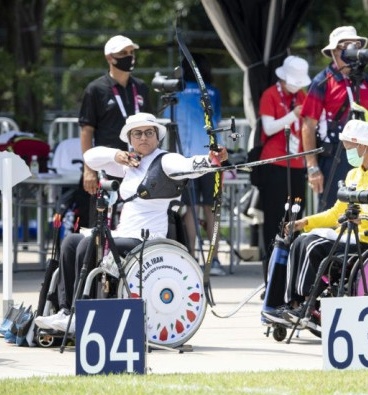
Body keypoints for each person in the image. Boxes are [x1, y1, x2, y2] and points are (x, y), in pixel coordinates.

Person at [34, 113, 228, 333]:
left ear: (157, 137)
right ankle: (66, 311)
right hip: (123, 233)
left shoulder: (165, 160)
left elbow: (189, 165)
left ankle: (81, 314)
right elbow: (90, 157)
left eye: (149, 133)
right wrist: (117, 155)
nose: (143, 138)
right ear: (130, 139)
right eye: (137, 133)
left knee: (87, 245)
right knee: (70, 241)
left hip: (148, 238)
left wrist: (212, 158)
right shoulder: (129, 164)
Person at [262, 119, 368, 326]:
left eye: (349, 146)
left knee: (312, 246)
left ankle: (308, 307)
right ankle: (293, 305)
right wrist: (305, 222)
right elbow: (335, 213)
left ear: (362, 146)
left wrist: (367, 218)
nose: (346, 151)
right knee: (301, 240)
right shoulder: (353, 175)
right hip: (347, 236)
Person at [300, 25, 368, 210]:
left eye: (355, 44)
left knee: (364, 211)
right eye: (344, 45)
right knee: (333, 212)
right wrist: (312, 167)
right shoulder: (321, 82)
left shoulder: (365, 80)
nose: (351, 48)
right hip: (334, 156)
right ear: (334, 52)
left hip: (364, 154)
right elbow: (308, 126)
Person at [77, 35, 150, 227]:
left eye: (131, 52)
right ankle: (99, 257)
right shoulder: (96, 89)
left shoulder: (141, 87)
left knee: (135, 223)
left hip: (137, 165)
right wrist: (89, 169)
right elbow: (86, 131)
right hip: (107, 166)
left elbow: (150, 128)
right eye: (123, 53)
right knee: (100, 225)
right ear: (110, 57)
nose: (129, 57)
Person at [170, 53, 226, 276]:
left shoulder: (176, 93)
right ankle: (214, 262)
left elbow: (167, 119)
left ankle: (191, 258)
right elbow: (218, 120)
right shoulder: (213, 92)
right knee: (211, 210)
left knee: (191, 209)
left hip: (185, 159)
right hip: (211, 157)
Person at [256, 55, 311, 273]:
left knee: (296, 217)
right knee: (274, 221)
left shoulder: (302, 95)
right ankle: (270, 271)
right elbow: (268, 128)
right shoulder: (270, 94)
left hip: (297, 164)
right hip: (274, 164)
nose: (296, 88)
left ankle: (292, 271)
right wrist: (292, 115)